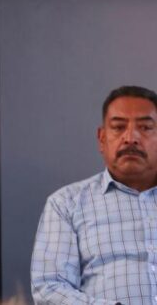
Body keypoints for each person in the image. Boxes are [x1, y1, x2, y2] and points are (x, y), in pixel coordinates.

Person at [31, 85, 157, 305]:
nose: (131, 138)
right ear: (102, 139)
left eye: (145, 127)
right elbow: (49, 288)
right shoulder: (66, 204)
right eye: (118, 127)